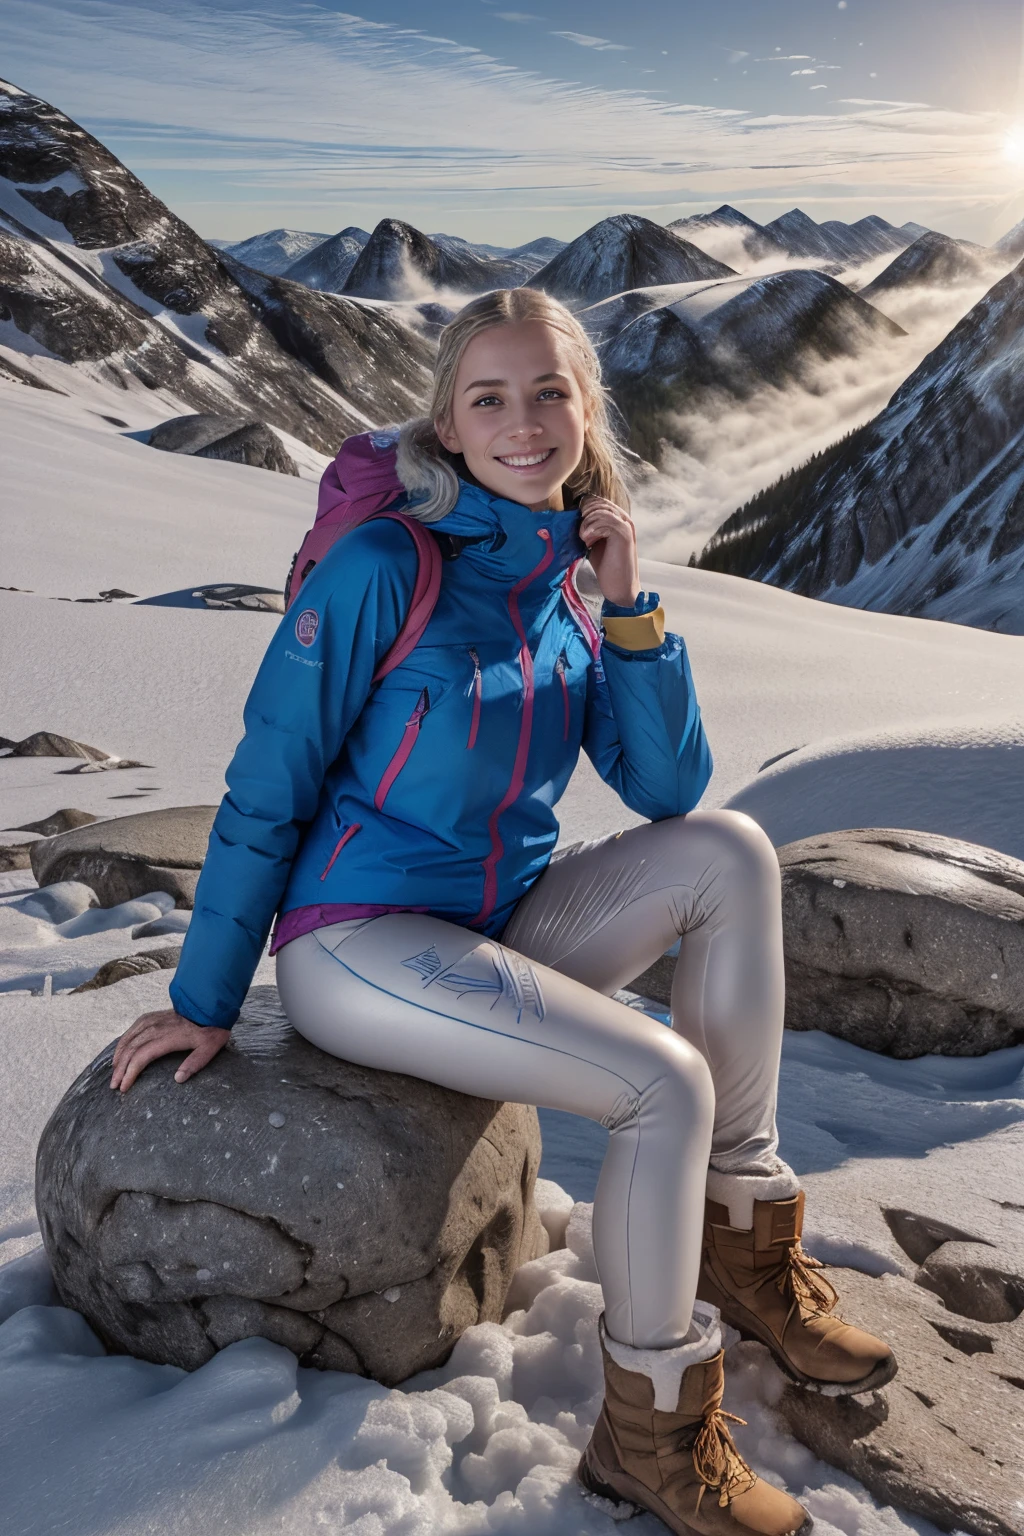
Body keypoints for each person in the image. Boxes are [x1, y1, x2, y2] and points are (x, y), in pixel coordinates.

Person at [110, 287, 894, 1536]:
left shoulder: (568, 578)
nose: (523, 421)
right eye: (491, 396)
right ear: (448, 421)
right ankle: (649, 1429)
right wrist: (204, 1001)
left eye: (550, 393)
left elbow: (668, 788)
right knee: (662, 1084)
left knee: (732, 851)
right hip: (359, 945)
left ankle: (742, 1244)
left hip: (500, 923)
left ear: (586, 414)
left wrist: (629, 600)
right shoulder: (384, 565)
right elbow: (269, 783)